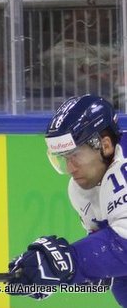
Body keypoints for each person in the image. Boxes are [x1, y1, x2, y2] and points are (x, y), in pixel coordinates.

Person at [7, 94, 127, 306]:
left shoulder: (123, 170)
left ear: (105, 145)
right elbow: (116, 267)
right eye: (64, 158)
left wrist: (68, 261)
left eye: (75, 155)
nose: (70, 168)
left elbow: (123, 246)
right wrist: (53, 272)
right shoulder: (81, 189)